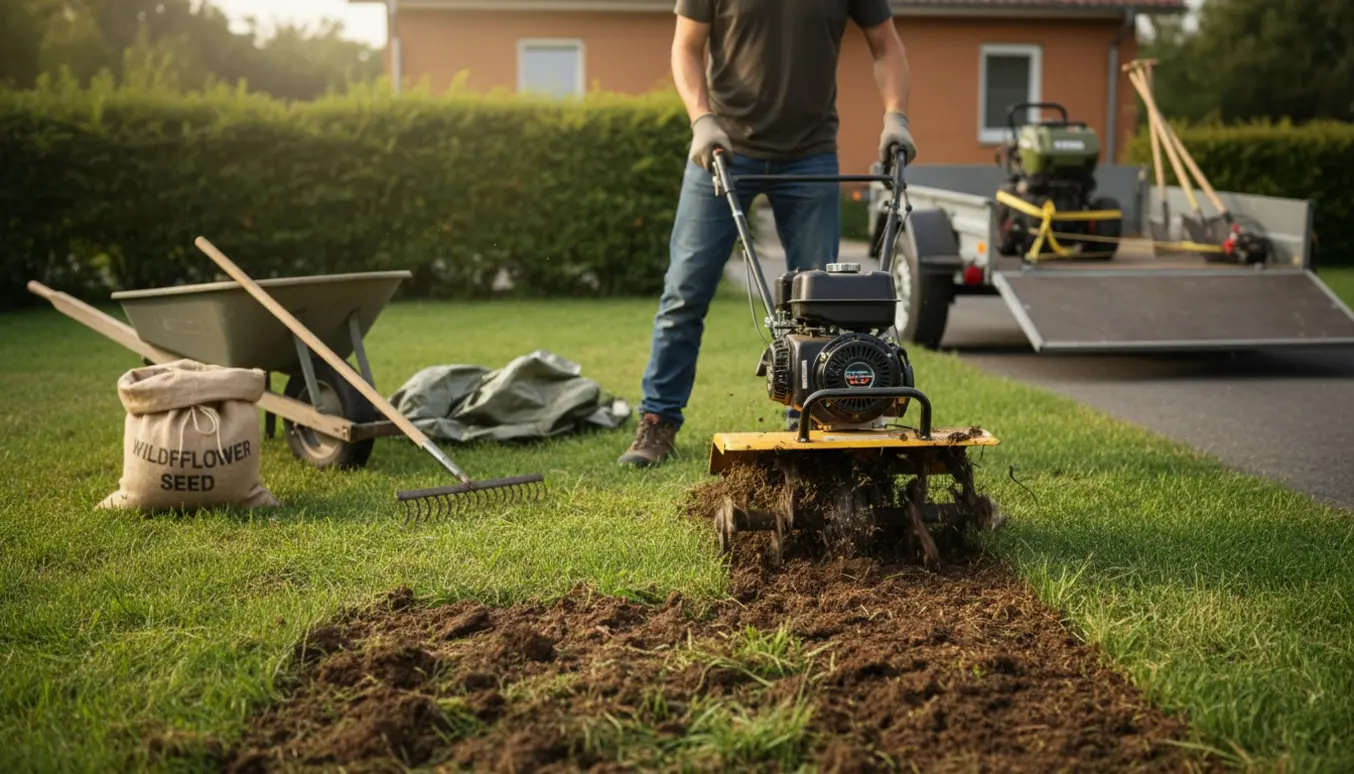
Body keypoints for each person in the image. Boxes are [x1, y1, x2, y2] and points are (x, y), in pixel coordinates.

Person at [618, 0, 918, 468]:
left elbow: (887, 46)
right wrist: (701, 119)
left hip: (811, 154)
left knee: (823, 305)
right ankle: (658, 421)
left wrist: (895, 116)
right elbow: (686, 46)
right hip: (723, 148)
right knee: (684, 293)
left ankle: (810, 421)